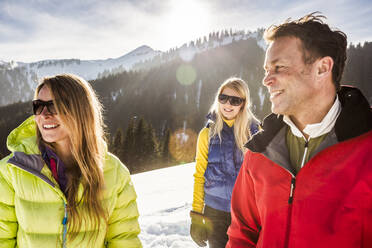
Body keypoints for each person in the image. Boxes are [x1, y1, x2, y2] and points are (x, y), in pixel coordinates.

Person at [226, 12, 372, 248]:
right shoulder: (259, 153)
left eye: (279, 67)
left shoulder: (367, 149)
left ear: (323, 68)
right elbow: (242, 235)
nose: (266, 80)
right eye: (266, 69)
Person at [0, 74, 142, 247]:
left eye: (54, 106)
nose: (44, 115)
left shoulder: (114, 173)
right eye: (38, 106)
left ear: (80, 111)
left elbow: (124, 241)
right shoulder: (11, 171)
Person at [190, 77, 260, 248]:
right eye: (223, 98)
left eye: (235, 100)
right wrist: (197, 217)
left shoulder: (255, 133)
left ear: (243, 103)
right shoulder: (207, 134)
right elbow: (199, 176)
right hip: (215, 213)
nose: (228, 104)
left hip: (247, 213)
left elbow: (263, 177)